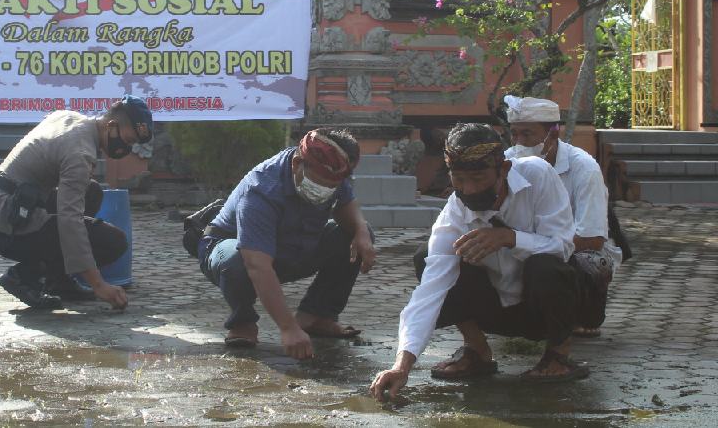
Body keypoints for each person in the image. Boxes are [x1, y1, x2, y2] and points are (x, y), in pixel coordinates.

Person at [369, 123, 586, 400]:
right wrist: (402, 365)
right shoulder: (455, 213)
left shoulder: (538, 174)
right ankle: (477, 349)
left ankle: (558, 354)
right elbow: (429, 292)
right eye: (458, 180)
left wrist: (511, 238)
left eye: (478, 178)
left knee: (546, 266)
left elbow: (563, 246)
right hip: (494, 307)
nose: (468, 190)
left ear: (504, 169)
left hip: (545, 303)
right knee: (426, 258)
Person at [198, 128, 376, 360]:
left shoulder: (333, 168)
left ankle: (316, 315)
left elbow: (345, 204)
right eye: (319, 183)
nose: (324, 190)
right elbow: (257, 265)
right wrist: (288, 328)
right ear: (297, 164)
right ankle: (243, 322)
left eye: (331, 186)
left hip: (292, 247)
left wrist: (361, 231)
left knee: (356, 235)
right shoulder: (261, 189)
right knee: (236, 259)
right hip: (235, 251)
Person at [0, 96, 153, 311]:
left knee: (91, 191)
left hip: (7, 206)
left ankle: (59, 281)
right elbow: (70, 221)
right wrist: (98, 285)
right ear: (112, 127)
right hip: (8, 223)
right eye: (127, 141)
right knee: (113, 241)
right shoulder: (80, 153)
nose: (126, 148)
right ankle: (24, 276)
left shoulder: (70, 117)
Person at [503, 95, 623, 338]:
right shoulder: (508, 161)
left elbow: (592, 239)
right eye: (514, 134)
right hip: (526, 246)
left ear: (553, 134)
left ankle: (580, 307)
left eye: (527, 134)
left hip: (572, 251)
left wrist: (531, 243)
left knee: (549, 262)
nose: (519, 142)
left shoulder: (584, 168)